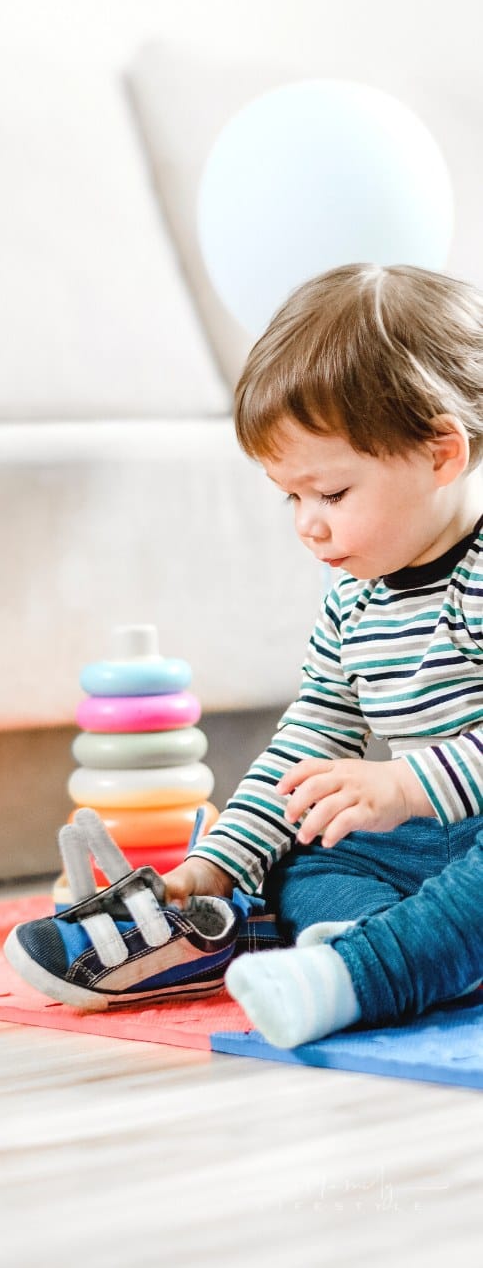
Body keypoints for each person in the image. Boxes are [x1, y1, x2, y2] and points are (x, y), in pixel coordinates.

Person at [163, 261, 483, 1048]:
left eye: (332, 495)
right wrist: (224, 864)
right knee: (302, 855)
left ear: (442, 453)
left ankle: (369, 970)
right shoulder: (357, 596)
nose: (308, 524)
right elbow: (312, 734)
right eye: (291, 497)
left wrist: (407, 781)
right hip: (435, 842)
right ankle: (409, 946)